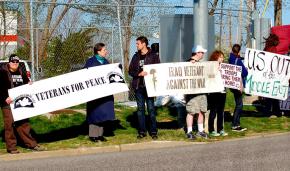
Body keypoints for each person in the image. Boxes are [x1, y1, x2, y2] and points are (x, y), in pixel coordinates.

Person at [0, 54, 44, 154]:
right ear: (9, 62)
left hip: (20, 102)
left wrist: (29, 84)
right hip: (7, 103)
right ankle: (11, 148)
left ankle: (31, 144)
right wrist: (4, 98)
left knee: (23, 124)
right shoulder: (2, 73)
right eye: (13, 61)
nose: (15, 63)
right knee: (9, 124)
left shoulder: (21, 72)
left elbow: (25, 84)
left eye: (16, 62)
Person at [129, 36, 160, 140]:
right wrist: (139, 74)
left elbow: (158, 69)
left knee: (151, 109)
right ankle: (142, 131)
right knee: (140, 110)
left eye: (138, 43)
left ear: (144, 44)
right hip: (139, 87)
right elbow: (130, 71)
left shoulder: (153, 56)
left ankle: (154, 131)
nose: (136, 45)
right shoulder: (135, 57)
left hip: (150, 87)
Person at [84, 43, 115, 142]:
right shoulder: (90, 62)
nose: (106, 52)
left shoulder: (106, 62)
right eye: (104, 50)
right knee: (94, 113)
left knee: (102, 113)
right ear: (98, 51)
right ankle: (93, 135)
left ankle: (100, 134)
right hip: (94, 93)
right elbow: (84, 76)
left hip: (105, 92)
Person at [185, 45, 208, 140]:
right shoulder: (188, 62)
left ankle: (200, 131)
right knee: (191, 112)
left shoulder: (201, 64)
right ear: (197, 53)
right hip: (192, 93)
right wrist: (190, 64)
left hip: (202, 92)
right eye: (202, 52)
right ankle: (189, 131)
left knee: (201, 111)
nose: (203, 54)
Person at [207, 50, 228, 137]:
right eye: (220, 57)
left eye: (223, 57)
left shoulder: (224, 67)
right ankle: (211, 129)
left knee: (220, 112)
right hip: (214, 92)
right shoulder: (211, 66)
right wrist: (216, 71)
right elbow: (209, 77)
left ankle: (220, 129)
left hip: (222, 91)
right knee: (213, 111)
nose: (222, 59)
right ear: (216, 57)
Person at [228, 44, 248, 132]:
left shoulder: (231, 58)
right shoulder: (238, 60)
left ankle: (237, 124)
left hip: (232, 84)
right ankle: (235, 125)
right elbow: (244, 73)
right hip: (238, 85)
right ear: (239, 51)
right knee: (239, 105)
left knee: (238, 104)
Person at [263, 34, 282, 118]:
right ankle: (275, 111)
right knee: (273, 94)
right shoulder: (273, 49)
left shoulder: (266, 48)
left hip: (267, 74)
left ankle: (273, 111)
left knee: (270, 95)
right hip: (272, 74)